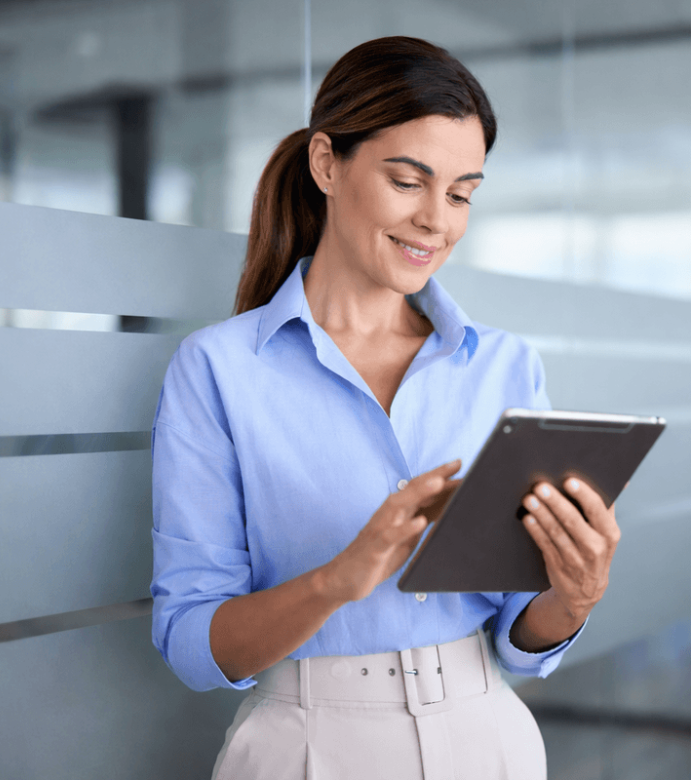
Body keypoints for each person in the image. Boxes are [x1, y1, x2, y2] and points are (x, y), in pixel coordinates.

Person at [150, 36, 622, 779]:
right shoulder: (219, 369)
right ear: (327, 164)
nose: (437, 220)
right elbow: (190, 640)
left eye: (463, 193)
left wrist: (574, 598)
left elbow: (518, 634)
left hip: (487, 737)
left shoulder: (503, 365)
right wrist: (337, 580)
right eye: (409, 181)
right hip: (305, 745)